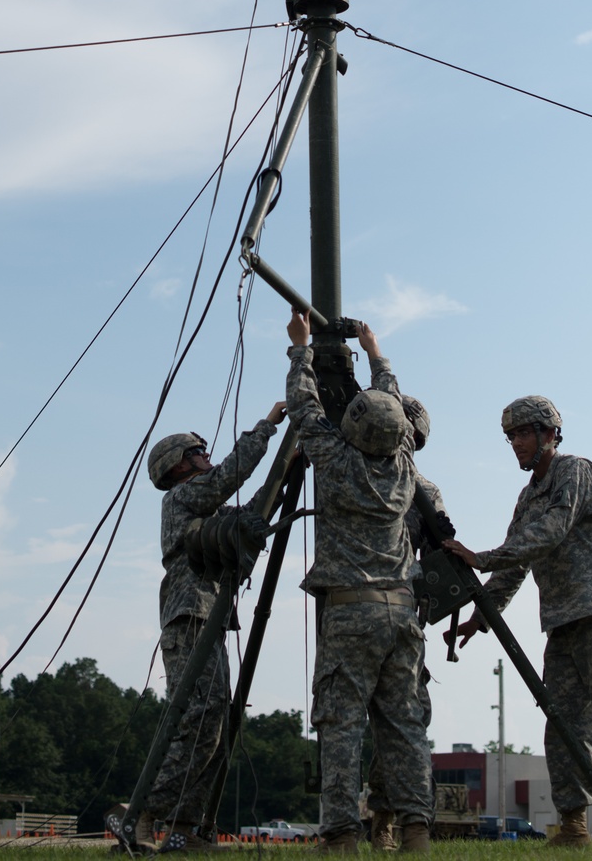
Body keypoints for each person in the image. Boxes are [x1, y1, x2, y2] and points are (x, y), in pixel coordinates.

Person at [443, 396, 592, 848]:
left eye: (524, 433)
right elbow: (514, 569)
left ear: (550, 433)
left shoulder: (575, 471)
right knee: (563, 726)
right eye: (510, 436)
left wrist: (482, 557)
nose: (516, 443)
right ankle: (572, 826)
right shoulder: (527, 496)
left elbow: (550, 532)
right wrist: (479, 618)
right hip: (562, 625)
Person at [285, 310, 433, 855]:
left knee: (342, 725)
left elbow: (304, 407)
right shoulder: (403, 462)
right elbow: (390, 407)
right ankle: (416, 830)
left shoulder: (336, 460)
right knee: (404, 725)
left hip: (351, 611)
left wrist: (300, 349)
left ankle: (342, 833)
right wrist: (376, 355)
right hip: (402, 611)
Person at [140, 404, 287, 853]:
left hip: (208, 618)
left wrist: (287, 468)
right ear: (181, 464)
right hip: (190, 618)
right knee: (200, 717)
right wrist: (268, 426)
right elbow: (230, 474)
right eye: (198, 451)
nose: (206, 456)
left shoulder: (204, 503)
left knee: (213, 720)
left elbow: (252, 510)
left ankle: (184, 828)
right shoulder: (183, 497)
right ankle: (145, 811)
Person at [367, 398, 455, 851]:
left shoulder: (425, 491)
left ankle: (391, 819)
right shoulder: (356, 473)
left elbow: (437, 557)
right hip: (357, 610)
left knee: (407, 719)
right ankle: (363, 821)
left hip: (404, 617)